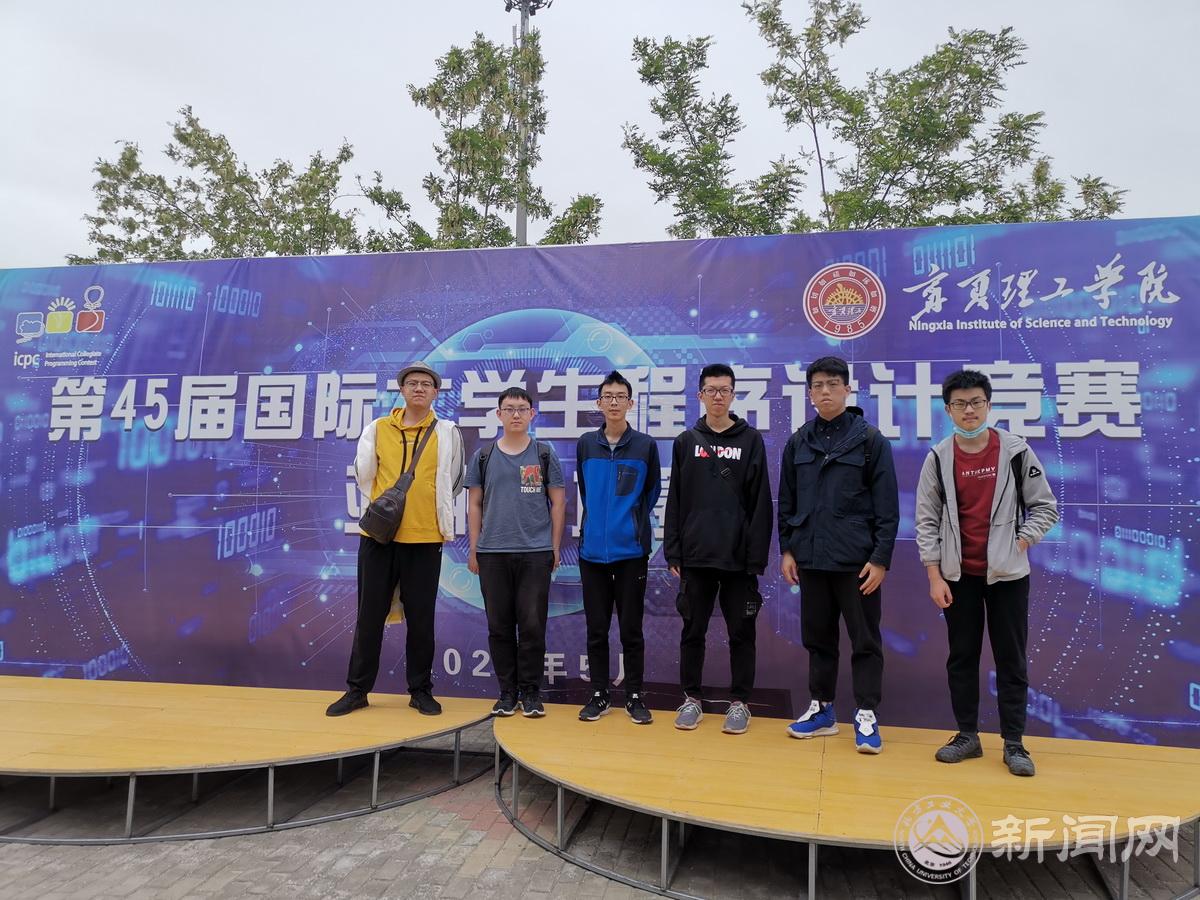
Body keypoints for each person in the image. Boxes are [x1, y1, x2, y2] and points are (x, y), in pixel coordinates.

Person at [915, 369, 1058, 777]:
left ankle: (1014, 743)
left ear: (988, 405)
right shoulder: (938, 457)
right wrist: (934, 575)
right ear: (948, 410)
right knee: (962, 657)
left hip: (1008, 577)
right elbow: (926, 520)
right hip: (958, 576)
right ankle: (967, 736)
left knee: (1011, 659)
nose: (969, 410)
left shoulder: (1015, 451)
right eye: (960, 404)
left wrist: (1022, 541)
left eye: (976, 402)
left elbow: (1045, 507)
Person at [327, 362, 465, 718]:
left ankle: (420, 691)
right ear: (402, 390)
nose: (419, 388)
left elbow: (453, 480)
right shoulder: (377, 428)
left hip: (425, 537)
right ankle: (357, 690)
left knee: (421, 619)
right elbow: (364, 474)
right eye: (412, 383)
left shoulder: (447, 432)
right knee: (369, 615)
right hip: (379, 538)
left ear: (435, 393)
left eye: (426, 384)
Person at [779, 356, 898, 754]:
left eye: (833, 384)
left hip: (857, 563)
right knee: (818, 639)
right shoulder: (798, 441)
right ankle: (822, 709)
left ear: (848, 389)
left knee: (865, 641)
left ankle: (866, 713)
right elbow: (787, 502)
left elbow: (887, 508)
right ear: (809, 393)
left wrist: (880, 558)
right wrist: (787, 549)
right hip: (811, 559)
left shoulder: (870, 441)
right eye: (817, 385)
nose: (825, 391)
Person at [665, 363, 773, 735]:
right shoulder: (686, 441)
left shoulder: (751, 440)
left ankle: (740, 703)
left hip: (738, 559)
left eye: (724, 390)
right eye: (711, 390)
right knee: (692, 631)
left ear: (733, 394)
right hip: (695, 556)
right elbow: (675, 499)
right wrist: (673, 551)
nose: (717, 396)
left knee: (742, 633)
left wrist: (756, 557)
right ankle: (691, 699)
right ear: (700, 395)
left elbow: (761, 502)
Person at [466, 387, 566, 718]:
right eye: (509, 409)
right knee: (500, 626)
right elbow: (474, 504)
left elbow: (558, 503)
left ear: (532, 414)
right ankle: (507, 693)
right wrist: (474, 548)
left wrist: (554, 547)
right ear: (499, 414)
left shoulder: (544, 454)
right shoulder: (483, 456)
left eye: (522, 408)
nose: (516, 414)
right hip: (492, 554)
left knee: (533, 625)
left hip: (536, 553)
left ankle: (531, 693)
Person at [576, 371, 661, 725]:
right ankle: (599, 694)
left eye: (620, 396)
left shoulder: (645, 445)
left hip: (631, 553)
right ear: (599, 403)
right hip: (591, 554)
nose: (614, 402)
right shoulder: (586, 444)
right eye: (608, 396)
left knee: (631, 629)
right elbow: (586, 492)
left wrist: (629, 525)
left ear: (630, 402)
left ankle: (635, 696)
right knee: (596, 629)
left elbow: (651, 493)